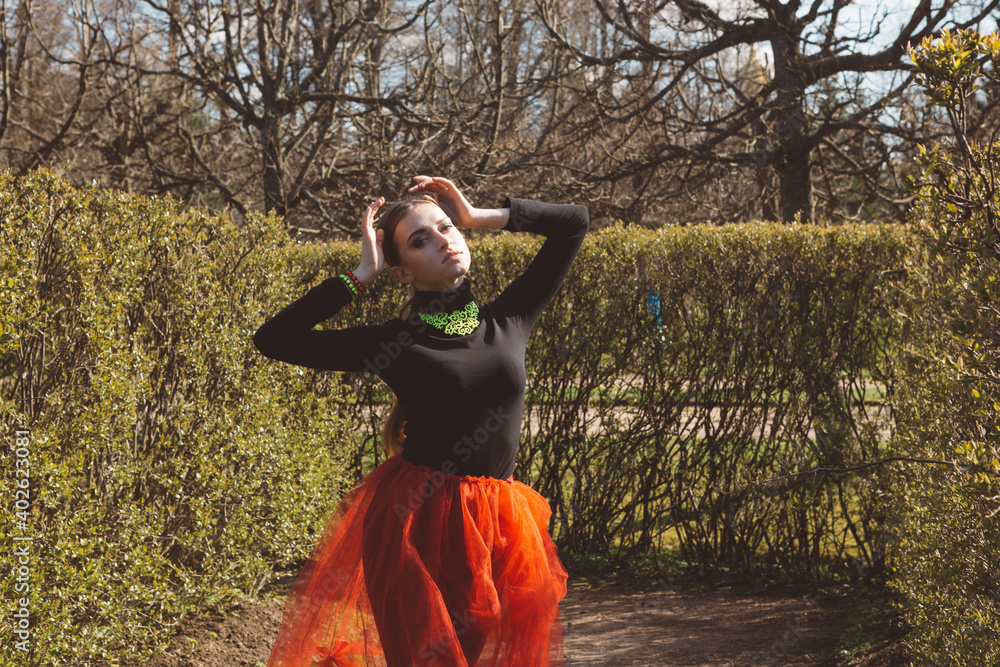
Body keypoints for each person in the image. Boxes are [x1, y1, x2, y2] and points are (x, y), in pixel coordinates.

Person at [253, 175, 589, 666]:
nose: (444, 241)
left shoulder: (509, 319)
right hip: (415, 523)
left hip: (499, 525)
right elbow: (274, 340)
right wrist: (361, 274)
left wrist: (478, 215)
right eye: (419, 241)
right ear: (403, 273)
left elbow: (574, 224)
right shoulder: (394, 344)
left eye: (447, 228)